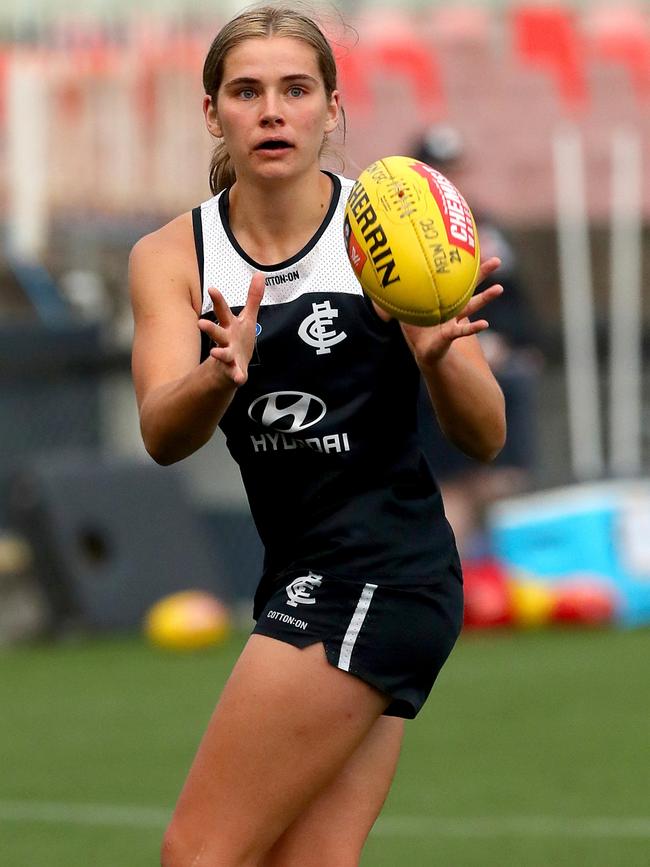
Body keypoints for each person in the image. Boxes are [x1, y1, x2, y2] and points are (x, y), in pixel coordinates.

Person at [129, 7, 505, 866]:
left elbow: (485, 433)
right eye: (247, 90)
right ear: (212, 110)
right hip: (297, 570)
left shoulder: (387, 232)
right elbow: (159, 431)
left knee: (199, 851)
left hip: (381, 570)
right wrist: (215, 375)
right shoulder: (173, 254)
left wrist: (443, 358)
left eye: (296, 89)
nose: (272, 110)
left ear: (332, 108)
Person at [412, 124, 543, 558]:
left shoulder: (483, 227)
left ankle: (508, 580)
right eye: (437, 170)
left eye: (452, 170)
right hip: (432, 369)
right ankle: (458, 580)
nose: (448, 180)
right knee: (450, 487)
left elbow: (517, 304)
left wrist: (508, 342)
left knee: (502, 483)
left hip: (494, 364)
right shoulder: (402, 232)